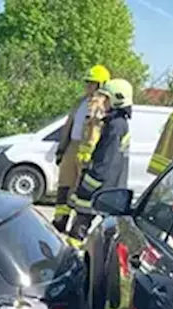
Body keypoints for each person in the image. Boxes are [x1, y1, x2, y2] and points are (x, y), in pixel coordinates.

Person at [69, 79, 133, 246]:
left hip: (100, 189)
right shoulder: (117, 123)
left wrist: (87, 186)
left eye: (105, 98)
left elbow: (105, 162)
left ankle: (71, 261)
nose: (101, 101)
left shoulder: (115, 126)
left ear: (116, 99)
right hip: (108, 189)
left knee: (78, 231)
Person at [52, 65, 109, 234]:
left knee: (80, 190)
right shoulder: (81, 101)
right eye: (87, 82)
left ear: (101, 84)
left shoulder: (102, 105)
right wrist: (62, 148)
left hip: (87, 152)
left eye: (92, 83)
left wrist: (89, 154)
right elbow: (69, 125)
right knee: (64, 185)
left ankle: (77, 227)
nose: (88, 86)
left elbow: (95, 131)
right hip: (72, 145)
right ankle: (60, 220)